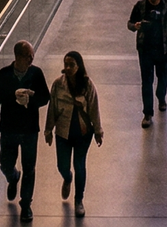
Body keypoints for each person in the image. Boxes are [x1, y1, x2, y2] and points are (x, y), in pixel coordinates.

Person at [0, 40, 48, 222]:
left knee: (29, 168)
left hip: (29, 129)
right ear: (17, 57)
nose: (31, 59)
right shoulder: (4, 75)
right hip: (9, 128)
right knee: (5, 163)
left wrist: (31, 100)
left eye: (32, 55)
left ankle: (26, 204)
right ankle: (13, 176)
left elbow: (45, 97)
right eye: (27, 56)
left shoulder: (36, 73)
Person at [44, 50, 103, 217]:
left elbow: (94, 108)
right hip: (63, 132)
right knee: (62, 165)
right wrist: (48, 130)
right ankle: (67, 177)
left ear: (79, 66)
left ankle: (79, 200)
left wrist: (98, 131)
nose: (68, 68)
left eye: (72, 65)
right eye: (66, 65)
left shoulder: (87, 85)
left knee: (79, 165)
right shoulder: (58, 84)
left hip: (83, 133)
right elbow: (52, 108)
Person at [128, 0, 167, 126]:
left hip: (163, 49)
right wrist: (136, 26)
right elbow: (130, 23)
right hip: (145, 50)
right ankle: (147, 114)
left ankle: (161, 96)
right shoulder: (140, 6)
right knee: (146, 81)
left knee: (163, 77)